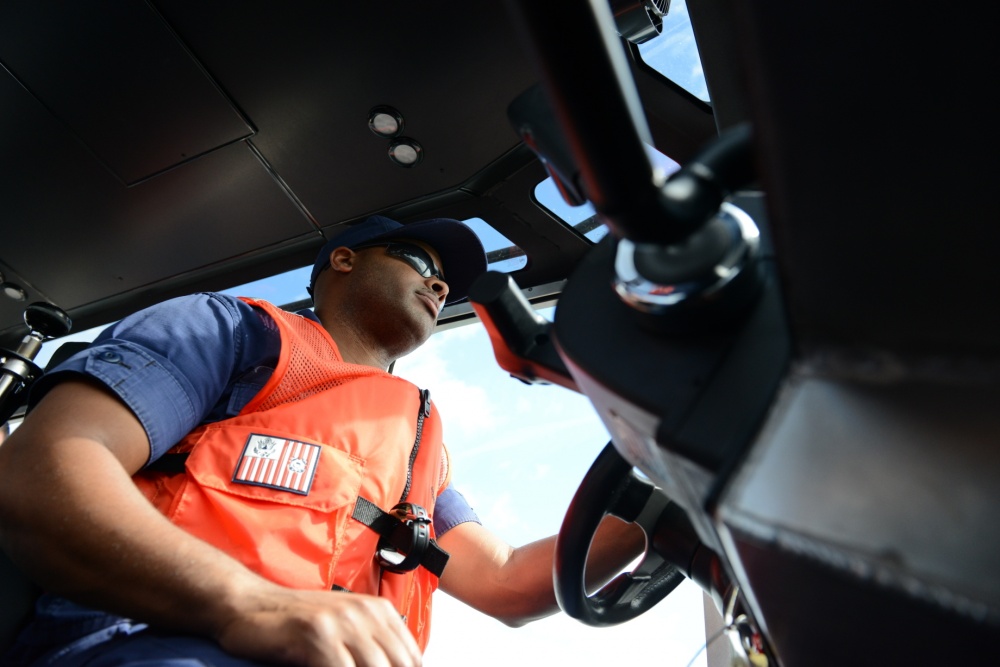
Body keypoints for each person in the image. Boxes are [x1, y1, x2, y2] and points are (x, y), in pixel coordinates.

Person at [0, 215, 643, 667]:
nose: (441, 285)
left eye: (446, 282)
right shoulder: (232, 335)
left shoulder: (420, 452)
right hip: (147, 640)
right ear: (344, 261)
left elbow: (509, 584)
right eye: (421, 262)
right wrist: (247, 605)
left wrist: (665, 509)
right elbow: (43, 468)